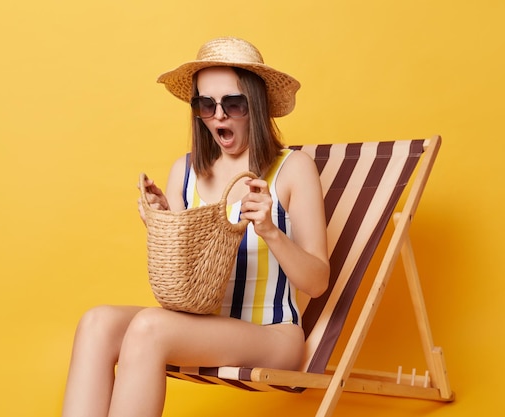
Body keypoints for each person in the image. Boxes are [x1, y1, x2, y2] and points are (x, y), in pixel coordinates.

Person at [61, 36, 329, 417]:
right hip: (202, 324)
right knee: (97, 323)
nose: (219, 116)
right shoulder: (184, 171)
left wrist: (271, 230)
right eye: (207, 104)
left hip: (272, 334)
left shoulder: (293, 169)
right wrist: (163, 224)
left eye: (232, 103)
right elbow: (182, 283)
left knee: (149, 327)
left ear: (255, 105)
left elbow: (317, 282)